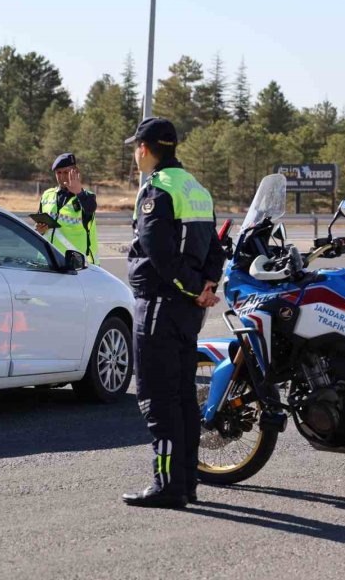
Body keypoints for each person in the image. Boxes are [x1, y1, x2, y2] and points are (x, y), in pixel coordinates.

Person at [121, 117, 225, 509]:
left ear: (146, 149)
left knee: (157, 399)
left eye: (136, 147)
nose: (135, 154)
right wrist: (207, 285)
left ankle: (167, 485)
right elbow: (215, 249)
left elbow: (158, 253)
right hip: (185, 311)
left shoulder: (157, 190)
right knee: (182, 399)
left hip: (160, 307)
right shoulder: (196, 188)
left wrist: (196, 288)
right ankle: (186, 484)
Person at [35, 152, 99, 264]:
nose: (61, 176)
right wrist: (39, 229)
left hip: (77, 264)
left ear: (76, 172)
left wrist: (79, 192)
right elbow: (39, 223)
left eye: (66, 172)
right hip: (48, 261)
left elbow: (90, 208)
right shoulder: (47, 195)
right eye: (58, 172)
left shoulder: (87, 197)